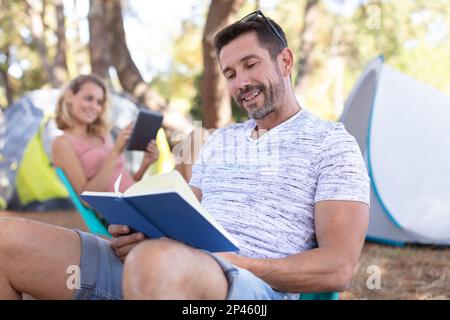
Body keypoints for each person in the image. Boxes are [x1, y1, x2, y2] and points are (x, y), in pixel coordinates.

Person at [0, 11, 369, 300]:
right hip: (160, 266)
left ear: (285, 62)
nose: (240, 82)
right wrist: (142, 232)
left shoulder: (331, 144)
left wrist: (229, 262)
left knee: (155, 262)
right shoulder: (219, 141)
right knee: (5, 238)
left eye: (251, 64)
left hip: (248, 289)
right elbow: (184, 216)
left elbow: (336, 268)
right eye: (230, 72)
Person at [52, 74, 160, 194]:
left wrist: (145, 165)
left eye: (99, 102)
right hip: (115, 209)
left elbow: (124, 184)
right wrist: (115, 152)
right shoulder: (62, 143)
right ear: (69, 97)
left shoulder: (103, 136)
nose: (95, 107)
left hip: (133, 198)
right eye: (89, 98)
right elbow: (88, 199)